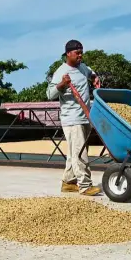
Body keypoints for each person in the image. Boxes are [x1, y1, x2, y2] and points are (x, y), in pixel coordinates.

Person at [46, 39, 101, 196]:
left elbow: (90, 73)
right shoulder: (61, 72)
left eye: (82, 52)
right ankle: (85, 185)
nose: (80, 55)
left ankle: (68, 183)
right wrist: (62, 84)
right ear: (68, 54)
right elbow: (49, 94)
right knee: (80, 152)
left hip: (86, 117)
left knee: (74, 152)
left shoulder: (83, 68)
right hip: (72, 119)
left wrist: (94, 77)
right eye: (77, 53)